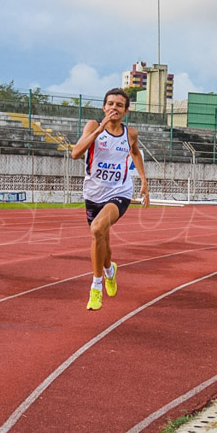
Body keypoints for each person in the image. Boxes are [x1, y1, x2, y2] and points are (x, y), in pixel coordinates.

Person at [70, 88, 150, 310]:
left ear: (126, 110)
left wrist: (143, 180)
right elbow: (76, 153)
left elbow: (135, 152)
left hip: (119, 192)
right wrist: (99, 131)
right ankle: (109, 270)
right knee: (101, 238)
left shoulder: (130, 133)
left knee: (97, 229)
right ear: (104, 107)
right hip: (93, 193)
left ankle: (96, 288)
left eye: (119, 105)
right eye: (111, 104)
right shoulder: (93, 126)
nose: (114, 108)